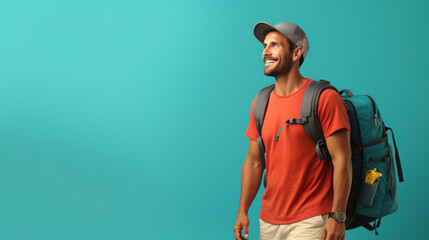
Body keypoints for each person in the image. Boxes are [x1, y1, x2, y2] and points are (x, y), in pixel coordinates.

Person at [233, 21, 352, 240]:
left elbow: (342, 159)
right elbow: (254, 162)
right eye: (264, 46)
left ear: (296, 53)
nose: (265, 52)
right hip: (269, 220)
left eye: (274, 45)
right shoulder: (261, 102)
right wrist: (243, 210)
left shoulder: (324, 99)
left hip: (311, 219)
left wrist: (338, 216)